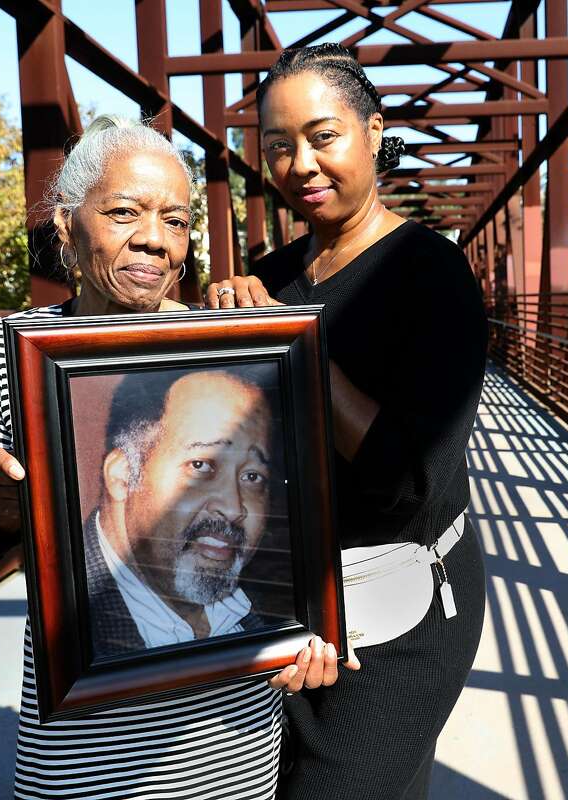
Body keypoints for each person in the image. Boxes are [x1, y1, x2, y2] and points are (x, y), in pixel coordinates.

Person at [0, 114, 336, 800]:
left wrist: (312, 628)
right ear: (67, 224)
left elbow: (294, 537)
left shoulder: (236, 346)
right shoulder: (14, 351)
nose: (155, 239)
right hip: (83, 764)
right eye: (124, 212)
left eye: (178, 221)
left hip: (233, 756)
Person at [207, 44, 488, 800]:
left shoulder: (430, 272)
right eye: (277, 147)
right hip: (290, 607)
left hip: (401, 612)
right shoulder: (270, 276)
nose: (300, 164)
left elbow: (410, 482)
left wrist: (292, 344)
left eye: (323, 136)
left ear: (372, 131)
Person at [86, 366, 292, 656]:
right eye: (201, 465)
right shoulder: (66, 629)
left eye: (252, 476)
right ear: (123, 475)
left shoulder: (274, 616)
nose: (233, 508)